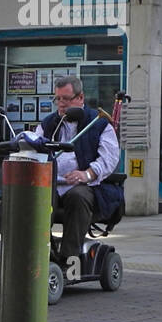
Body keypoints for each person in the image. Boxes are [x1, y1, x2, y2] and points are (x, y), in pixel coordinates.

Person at [41, 74, 121, 269]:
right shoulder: (48, 123)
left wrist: (87, 174)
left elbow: (109, 158)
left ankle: (69, 260)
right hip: (53, 184)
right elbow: (36, 145)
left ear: (80, 98)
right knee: (36, 198)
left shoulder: (99, 123)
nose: (61, 104)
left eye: (66, 99)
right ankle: (41, 251)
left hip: (88, 187)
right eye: (57, 99)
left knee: (77, 196)